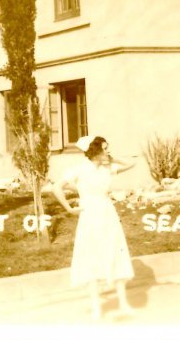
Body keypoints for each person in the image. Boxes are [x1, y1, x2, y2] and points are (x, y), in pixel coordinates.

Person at [52, 135, 136, 319]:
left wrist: (113, 158)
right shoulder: (80, 169)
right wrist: (69, 209)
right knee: (92, 257)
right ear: (94, 151)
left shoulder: (107, 168)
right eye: (104, 149)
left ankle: (123, 303)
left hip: (107, 214)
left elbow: (132, 164)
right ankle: (97, 307)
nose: (107, 151)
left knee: (115, 253)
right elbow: (57, 187)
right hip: (90, 215)